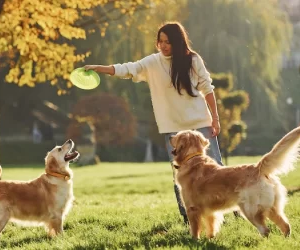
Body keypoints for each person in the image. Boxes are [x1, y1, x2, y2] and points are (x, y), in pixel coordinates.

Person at [84, 21, 224, 224]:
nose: (164, 46)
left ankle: (224, 208)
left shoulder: (192, 60)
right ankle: (187, 216)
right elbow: (128, 69)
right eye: (160, 41)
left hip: (200, 122)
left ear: (178, 42)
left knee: (215, 168)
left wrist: (215, 119)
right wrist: (99, 68)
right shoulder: (153, 62)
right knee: (180, 174)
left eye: (168, 42)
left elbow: (207, 89)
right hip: (173, 129)